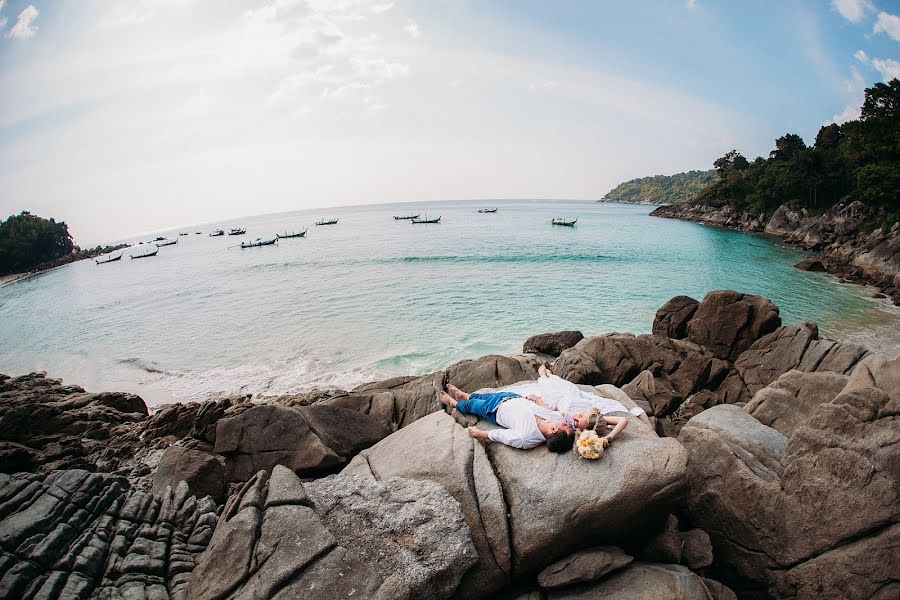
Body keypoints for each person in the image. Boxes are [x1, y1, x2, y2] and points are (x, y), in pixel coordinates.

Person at [439, 384, 575, 452]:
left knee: (474, 405)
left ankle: (454, 403)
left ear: (553, 430)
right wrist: (536, 398)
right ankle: (464, 394)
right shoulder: (554, 418)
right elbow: (552, 410)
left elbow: (501, 435)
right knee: (483, 396)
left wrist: (479, 433)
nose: (566, 423)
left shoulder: (526, 437)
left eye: (565, 426)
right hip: (512, 396)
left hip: (494, 409)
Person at [532, 364, 640, 430]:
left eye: (577, 422)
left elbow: (549, 412)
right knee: (561, 383)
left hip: (557, 399)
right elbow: (623, 420)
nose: (575, 417)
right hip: (572, 393)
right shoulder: (594, 418)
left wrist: (536, 399)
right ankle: (551, 375)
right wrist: (609, 437)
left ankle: (543, 375)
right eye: (580, 416)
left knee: (545, 384)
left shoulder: (569, 420)